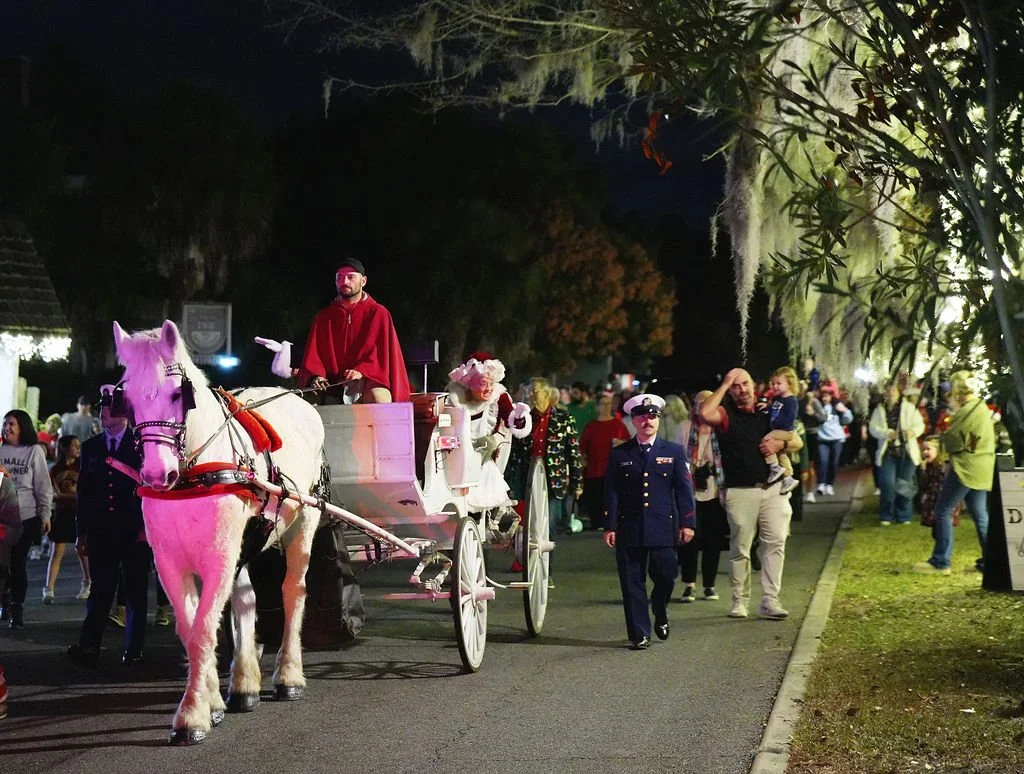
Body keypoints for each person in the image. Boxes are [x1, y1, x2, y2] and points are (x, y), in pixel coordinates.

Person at [700, 368, 803, 620]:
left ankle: (770, 600)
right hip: (740, 490)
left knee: (775, 543)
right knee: (740, 548)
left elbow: (798, 440)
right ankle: (740, 600)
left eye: (745, 383)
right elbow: (704, 413)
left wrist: (781, 443)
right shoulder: (726, 413)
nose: (742, 389)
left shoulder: (769, 409)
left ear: (753, 384)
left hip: (774, 489)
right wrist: (724, 385)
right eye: (736, 386)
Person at [604, 394, 695, 650]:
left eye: (652, 416)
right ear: (633, 420)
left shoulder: (673, 452)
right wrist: (610, 525)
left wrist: (688, 522)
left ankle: (659, 607)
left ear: (658, 419)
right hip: (629, 526)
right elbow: (611, 491)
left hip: (663, 527)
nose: (647, 420)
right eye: (642, 416)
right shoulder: (620, 454)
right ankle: (639, 633)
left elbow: (684, 490)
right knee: (632, 582)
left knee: (666, 575)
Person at [67, 388, 150, 667]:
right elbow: (84, 494)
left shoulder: (140, 445)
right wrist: (81, 531)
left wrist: (145, 527)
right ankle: (89, 645)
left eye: (110, 408)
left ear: (124, 413)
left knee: (136, 592)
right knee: (101, 590)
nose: (103, 412)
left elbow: (149, 489)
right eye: (102, 407)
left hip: (133, 530)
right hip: (102, 530)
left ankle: (134, 649)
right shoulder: (91, 447)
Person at [295, 259, 411, 403]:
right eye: (340, 277)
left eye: (351, 277)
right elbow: (314, 355)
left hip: (368, 379)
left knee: (379, 398)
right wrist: (316, 376)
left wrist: (362, 371)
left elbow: (381, 356)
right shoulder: (324, 317)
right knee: (305, 402)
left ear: (363, 281)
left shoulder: (378, 313)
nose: (345, 281)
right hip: (332, 382)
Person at [914, 370, 995, 576]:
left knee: (943, 510)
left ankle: (941, 561)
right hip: (980, 467)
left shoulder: (969, 410)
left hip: (965, 467)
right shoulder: (979, 407)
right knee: (980, 515)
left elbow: (958, 441)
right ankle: (992, 562)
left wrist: (942, 440)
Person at [445, 352, 532, 516]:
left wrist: (520, 418)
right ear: (469, 384)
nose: (489, 389)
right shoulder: (454, 399)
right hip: (457, 456)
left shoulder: (499, 398)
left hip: (487, 457)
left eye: (491, 383)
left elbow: (511, 420)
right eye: (483, 384)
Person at [506, 378, 584, 540]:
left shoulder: (563, 418)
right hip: (528, 477)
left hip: (553, 479)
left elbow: (573, 453)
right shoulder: (526, 419)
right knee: (528, 521)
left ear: (547, 394)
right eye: (530, 391)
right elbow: (515, 451)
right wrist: (509, 478)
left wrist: (577, 483)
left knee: (549, 523)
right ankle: (525, 557)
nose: (531, 395)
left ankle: (545, 561)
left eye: (535, 391)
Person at [0, 410, 53, 628]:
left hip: (25, 517)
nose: (7, 428)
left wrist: (45, 513)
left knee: (17, 563)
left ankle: (16, 607)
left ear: (22, 426)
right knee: (2, 565)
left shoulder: (34, 451)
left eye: (11, 424)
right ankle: (4, 601)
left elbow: (42, 485)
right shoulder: (0, 450)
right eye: (5, 424)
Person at [677, 390, 730, 603]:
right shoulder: (685, 428)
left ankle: (709, 585)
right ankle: (689, 584)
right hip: (690, 491)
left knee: (712, 540)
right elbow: (677, 457)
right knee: (689, 539)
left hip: (715, 491)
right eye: (699, 403)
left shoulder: (720, 430)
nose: (702, 408)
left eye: (707, 403)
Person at [869, 383, 925, 525]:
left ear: (899, 393)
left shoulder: (909, 408)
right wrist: (886, 433)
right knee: (887, 483)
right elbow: (873, 428)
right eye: (887, 392)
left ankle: (904, 514)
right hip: (888, 452)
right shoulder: (879, 410)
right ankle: (886, 514)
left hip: (906, 451)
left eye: (893, 391)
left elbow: (920, 425)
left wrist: (912, 432)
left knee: (905, 484)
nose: (890, 394)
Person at [44, 435, 89, 603]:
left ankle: (87, 583)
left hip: (79, 513)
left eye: (79, 445)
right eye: (74, 446)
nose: (78, 448)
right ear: (64, 448)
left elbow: (83, 495)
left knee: (83, 550)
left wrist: (64, 495)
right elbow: (52, 496)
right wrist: (67, 496)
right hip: (62, 514)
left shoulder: (83, 467)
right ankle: (48, 589)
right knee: (56, 551)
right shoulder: (55, 470)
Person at [579, 393, 630, 530]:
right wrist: (582, 460)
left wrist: (621, 443)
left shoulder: (618, 425)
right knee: (595, 497)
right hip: (594, 468)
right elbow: (582, 446)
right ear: (597, 407)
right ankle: (596, 521)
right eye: (603, 404)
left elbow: (629, 444)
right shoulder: (591, 426)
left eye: (609, 404)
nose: (606, 407)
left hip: (613, 468)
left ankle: (610, 522)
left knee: (611, 497)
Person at [764, 367, 800, 494]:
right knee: (781, 454)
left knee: (766, 440)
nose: (775, 386)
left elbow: (789, 418)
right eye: (773, 383)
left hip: (785, 431)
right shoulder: (777, 399)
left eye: (779, 383)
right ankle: (788, 478)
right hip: (778, 429)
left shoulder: (791, 401)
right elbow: (773, 411)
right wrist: (766, 408)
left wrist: (776, 423)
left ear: (789, 384)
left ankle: (774, 467)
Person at [813, 385, 853, 496]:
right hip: (822, 439)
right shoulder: (818, 407)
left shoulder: (836, 407)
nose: (825, 399)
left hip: (837, 439)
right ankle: (821, 483)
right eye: (823, 397)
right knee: (823, 461)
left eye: (827, 396)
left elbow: (848, 419)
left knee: (834, 462)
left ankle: (830, 484)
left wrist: (845, 410)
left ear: (831, 397)